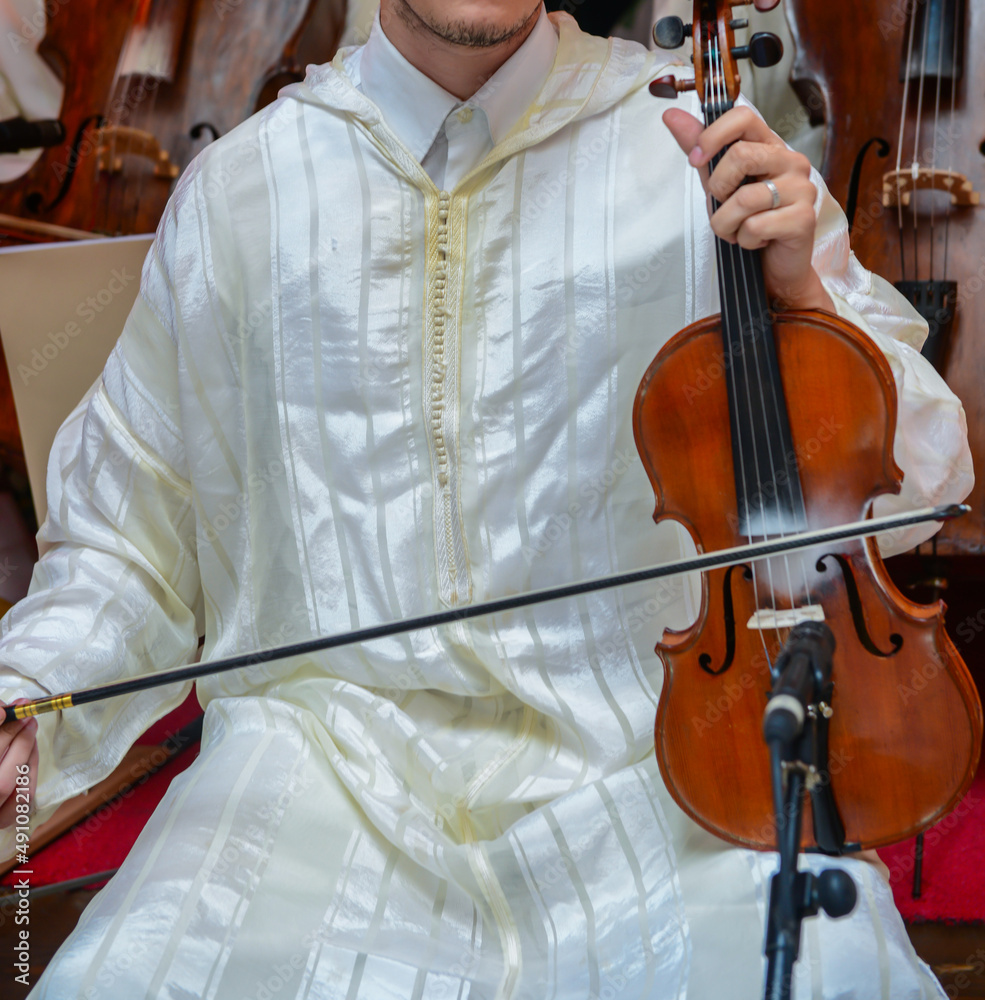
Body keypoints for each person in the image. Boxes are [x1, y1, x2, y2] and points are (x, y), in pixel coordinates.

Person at [0, 1, 973, 997]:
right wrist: (28, 698)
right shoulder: (239, 194)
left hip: (657, 767)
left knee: (827, 973)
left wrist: (801, 296)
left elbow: (925, 477)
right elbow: (130, 543)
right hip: (312, 779)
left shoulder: (705, 154)